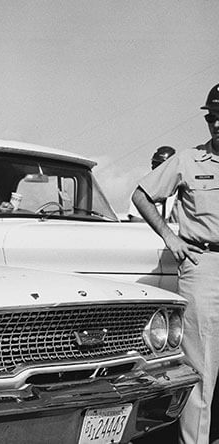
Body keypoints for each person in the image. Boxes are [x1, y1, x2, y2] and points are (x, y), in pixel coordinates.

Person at [131, 82, 219, 444]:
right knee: (202, 371)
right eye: (212, 118)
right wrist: (170, 237)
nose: (217, 124)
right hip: (205, 267)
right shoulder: (187, 161)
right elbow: (141, 194)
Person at [127, 145, 176, 222]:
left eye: (159, 165)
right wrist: (159, 224)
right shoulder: (143, 189)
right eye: (154, 164)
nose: (155, 168)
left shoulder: (181, 190)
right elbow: (134, 218)